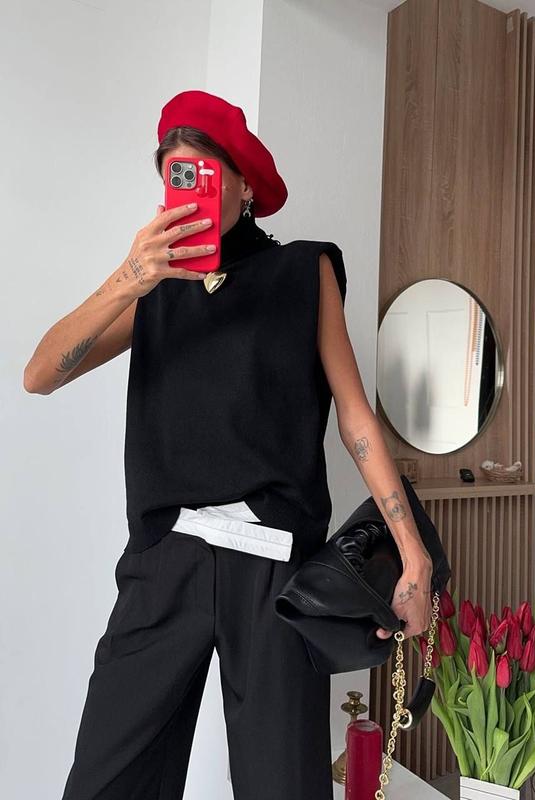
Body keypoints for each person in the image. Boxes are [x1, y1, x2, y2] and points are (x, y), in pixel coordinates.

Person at [23, 90, 434, 800]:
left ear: (245, 186)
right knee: (104, 781)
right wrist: (131, 277)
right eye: (176, 176)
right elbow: (39, 376)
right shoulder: (152, 289)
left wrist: (413, 552)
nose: (192, 191)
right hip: (165, 561)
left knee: (284, 784)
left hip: (273, 568)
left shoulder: (303, 271)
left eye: (207, 174)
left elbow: (356, 419)